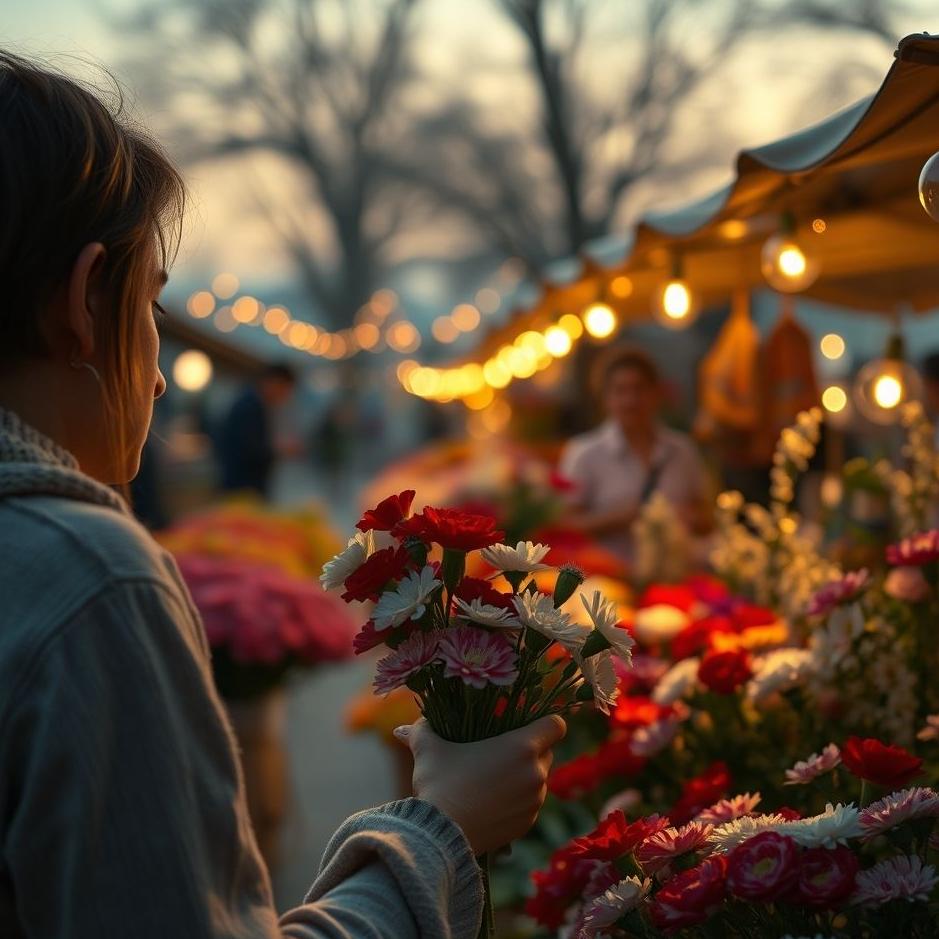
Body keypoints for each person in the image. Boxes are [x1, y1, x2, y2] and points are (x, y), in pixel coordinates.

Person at [0, 51, 565, 939]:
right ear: (83, 299)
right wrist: (443, 825)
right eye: (149, 303)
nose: (154, 381)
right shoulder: (87, 576)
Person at [560, 344, 712, 561]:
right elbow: (565, 527)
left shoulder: (683, 451)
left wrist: (687, 518)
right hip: (610, 580)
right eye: (620, 390)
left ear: (655, 393)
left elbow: (707, 519)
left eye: (639, 389)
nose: (630, 400)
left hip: (676, 579)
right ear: (605, 397)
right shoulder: (583, 454)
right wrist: (623, 517)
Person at [218, 363, 297, 497]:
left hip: (243, 487)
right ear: (275, 382)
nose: (285, 397)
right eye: (285, 390)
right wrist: (281, 450)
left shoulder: (253, 403)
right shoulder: (250, 407)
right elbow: (251, 450)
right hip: (243, 489)